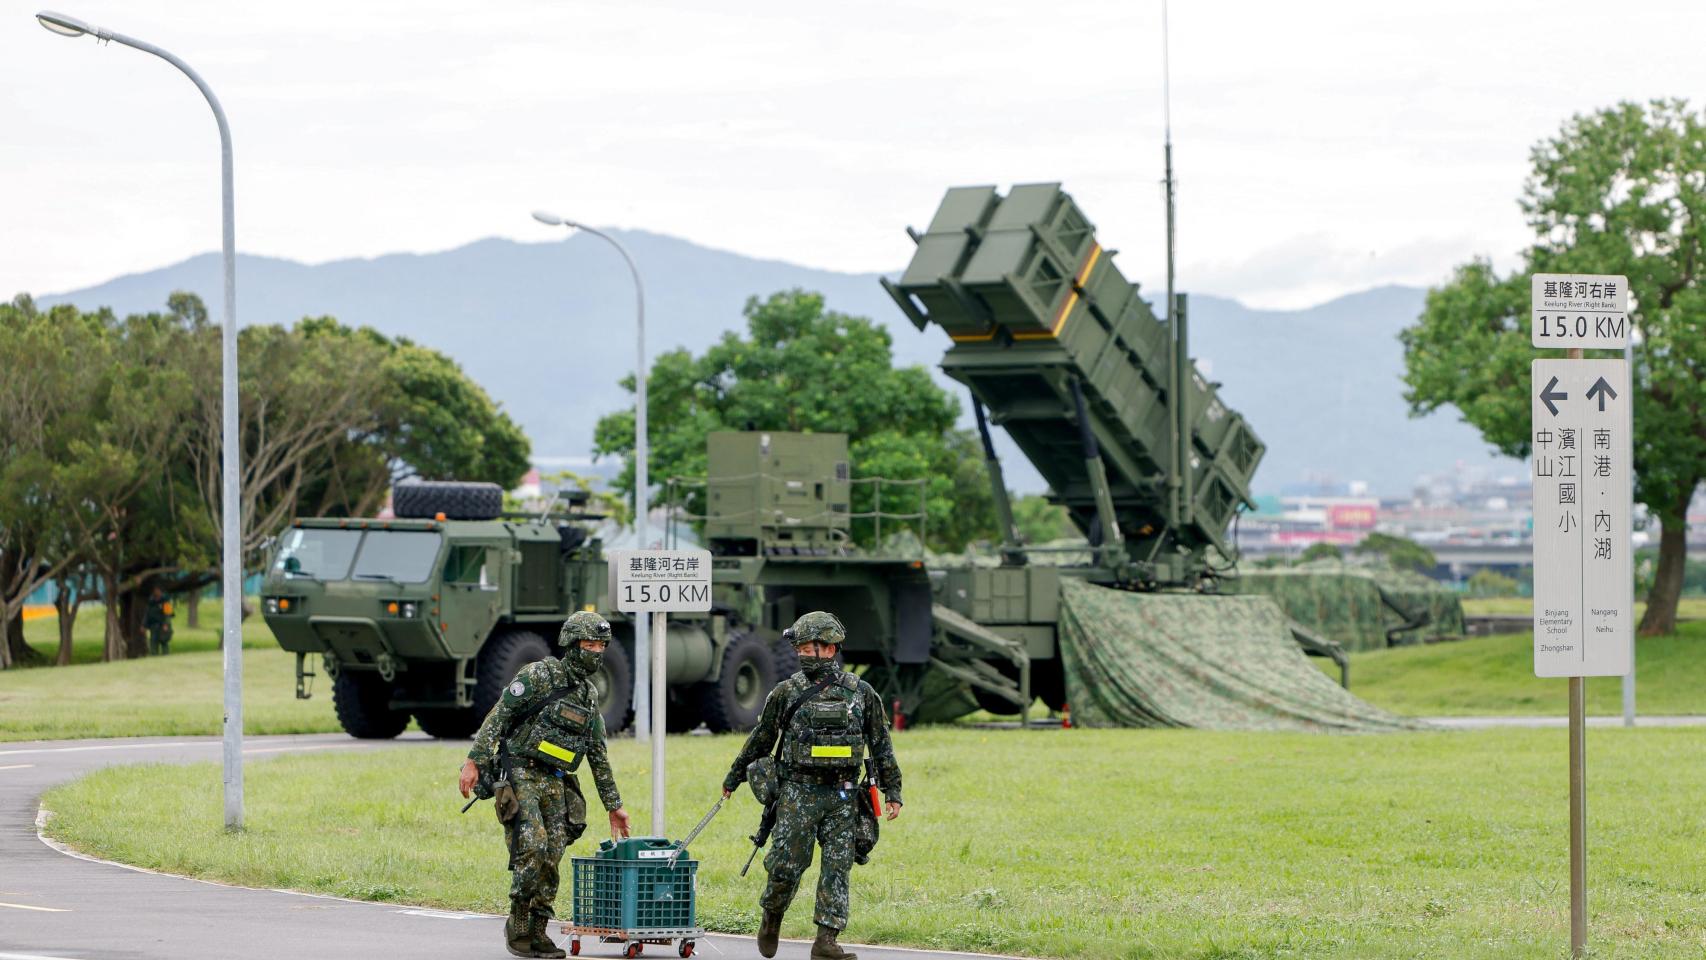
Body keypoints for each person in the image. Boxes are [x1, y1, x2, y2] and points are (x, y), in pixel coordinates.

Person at [721, 611, 903, 960]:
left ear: (833, 648)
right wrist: (734, 777)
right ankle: (772, 917)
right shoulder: (786, 692)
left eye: (817, 647)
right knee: (786, 865)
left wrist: (892, 791)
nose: (809, 654)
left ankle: (826, 941)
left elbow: (881, 743)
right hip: (798, 793)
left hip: (844, 795)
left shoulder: (861, 693)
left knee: (838, 867)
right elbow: (761, 739)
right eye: (803, 648)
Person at [460, 611, 632, 959]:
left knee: (553, 854)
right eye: (589, 644)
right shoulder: (539, 675)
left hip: (556, 779)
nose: (596, 652)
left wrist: (614, 806)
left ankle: (539, 931)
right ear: (571, 644)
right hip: (521, 771)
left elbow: (597, 754)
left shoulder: (587, 696)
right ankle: (518, 922)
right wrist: (475, 760)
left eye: (601, 646)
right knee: (534, 846)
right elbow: (500, 714)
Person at [144, 587, 174, 656]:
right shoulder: (151, 602)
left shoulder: (165, 601)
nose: (156, 592)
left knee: (164, 640)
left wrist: (166, 624)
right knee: (153, 641)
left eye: (157, 590)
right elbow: (147, 614)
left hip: (162, 625)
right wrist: (144, 625)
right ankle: (154, 655)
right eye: (154, 590)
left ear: (160, 591)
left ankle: (165, 654)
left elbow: (168, 614)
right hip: (153, 625)